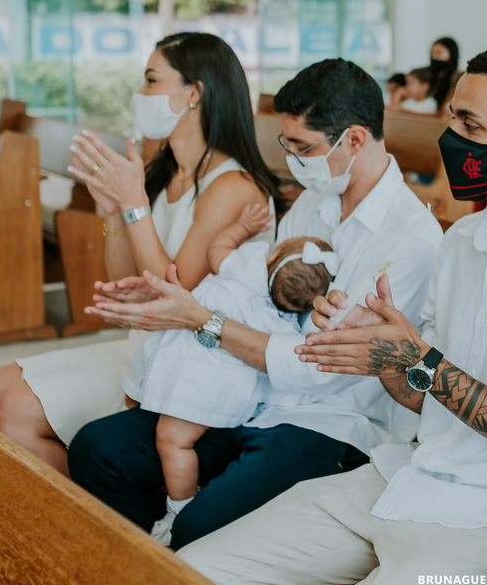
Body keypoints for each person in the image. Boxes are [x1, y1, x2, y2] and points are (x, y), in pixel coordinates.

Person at [175, 44, 487, 585]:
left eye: (471, 125)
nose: (450, 138)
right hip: (404, 479)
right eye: (452, 116)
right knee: (191, 573)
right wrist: (380, 351)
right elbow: (420, 394)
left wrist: (420, 362)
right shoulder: (461, 241)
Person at [68, 58, 443, 551]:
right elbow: (266, 296)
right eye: (287, 146)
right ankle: (144, 568)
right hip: (256, 390)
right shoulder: (315, 199)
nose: (294, 161)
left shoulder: (410, 240)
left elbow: (318, 365)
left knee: (200, 526)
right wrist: (183, 300)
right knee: (99, 450)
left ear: (354, 139)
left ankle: (177, 553)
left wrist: (203, 319)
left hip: (330, 423)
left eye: (304, 148)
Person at [0, 32, 278, 476]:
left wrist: (134, 204)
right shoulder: (165, 171)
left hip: (191, 363)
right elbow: (127, 280)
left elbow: (171, 295)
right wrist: (115, 212)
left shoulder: (233, 187)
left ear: (193, 93)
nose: (141, 93)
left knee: (14, 412)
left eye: (152, 80)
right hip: (146, 344)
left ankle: (104, 530)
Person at [124, 202, 338, 546]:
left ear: (271, 257)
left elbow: (216, 250)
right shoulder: (279, 328)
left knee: (160, 425)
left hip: (184, 357)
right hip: (217, 387)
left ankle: (178, 509)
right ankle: (172, 497)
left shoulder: (244, 265)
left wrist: (241, 227)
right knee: (171, 437)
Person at [429, 36, 460, 108]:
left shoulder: (455, 79)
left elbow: (442, 114)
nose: (434, 57)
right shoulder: (430, 77)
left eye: (438, 53)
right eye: (432, 53)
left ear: (451, 55)